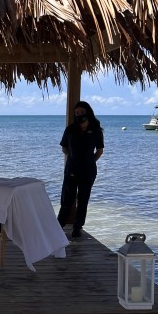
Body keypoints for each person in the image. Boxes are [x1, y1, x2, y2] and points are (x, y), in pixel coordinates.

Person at [57, 101, 104, 239]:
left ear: (88, 112)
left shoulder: (96, 130)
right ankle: (58, 228)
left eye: (82, 112)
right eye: (77, 113)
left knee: (83, 201)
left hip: (88, 172)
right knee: (66, 201)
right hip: (71, 170)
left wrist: (89, 162)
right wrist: (73, 158)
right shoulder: (70, 129)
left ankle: (77, 228)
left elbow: (100, 151)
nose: (79, 115)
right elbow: (64, 147)